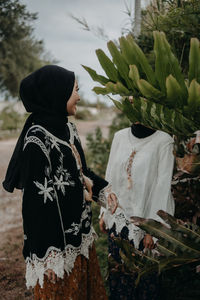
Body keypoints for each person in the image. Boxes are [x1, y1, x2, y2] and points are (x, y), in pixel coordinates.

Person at [2, 65, 117, 300]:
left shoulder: (69, 129)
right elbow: (36, 205)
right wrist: (49, 256)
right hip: (56, 249)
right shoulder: (37, 140)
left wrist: (104, 191)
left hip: (81, 238)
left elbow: (81, 172)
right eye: (75, 90)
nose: (79, 96)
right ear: (57, 93)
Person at [99, 122, 175, 300]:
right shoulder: (119, 136)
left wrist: (153, 229)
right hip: (118, 223)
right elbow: (109, 176)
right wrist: (105, 213)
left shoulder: (164, 141)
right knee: (118, 278)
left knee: (145, 282)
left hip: (145, 227)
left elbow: (162, 187)